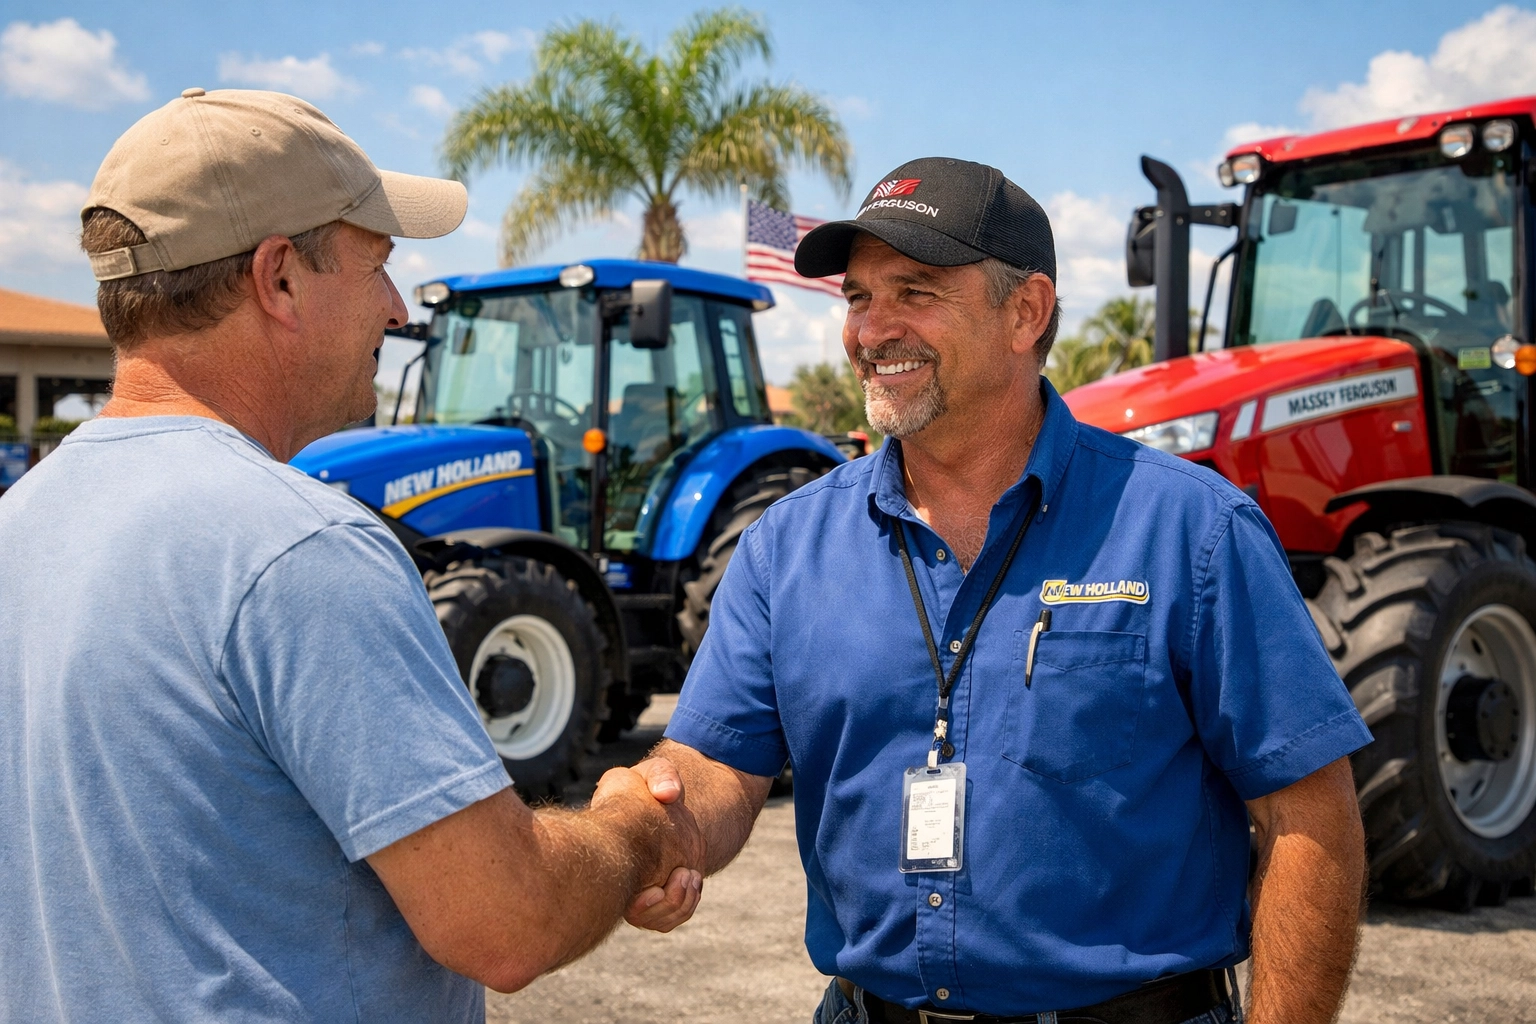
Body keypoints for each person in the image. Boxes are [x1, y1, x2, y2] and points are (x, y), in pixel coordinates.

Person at [0, 89, 701, 1023]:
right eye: (376, 264)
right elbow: (508, 921)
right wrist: (632, 828)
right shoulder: (301, 549)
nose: (396, 307)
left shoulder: (24, 521)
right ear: (279, 277)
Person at [642, 158, 1372, 1024]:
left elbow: (1310, 818)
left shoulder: (1192, 531)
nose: (872, 330)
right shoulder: (784, 548)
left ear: (1025, 311)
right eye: (858, 299)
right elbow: (716, 763)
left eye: (914, 292)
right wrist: (654, 826)